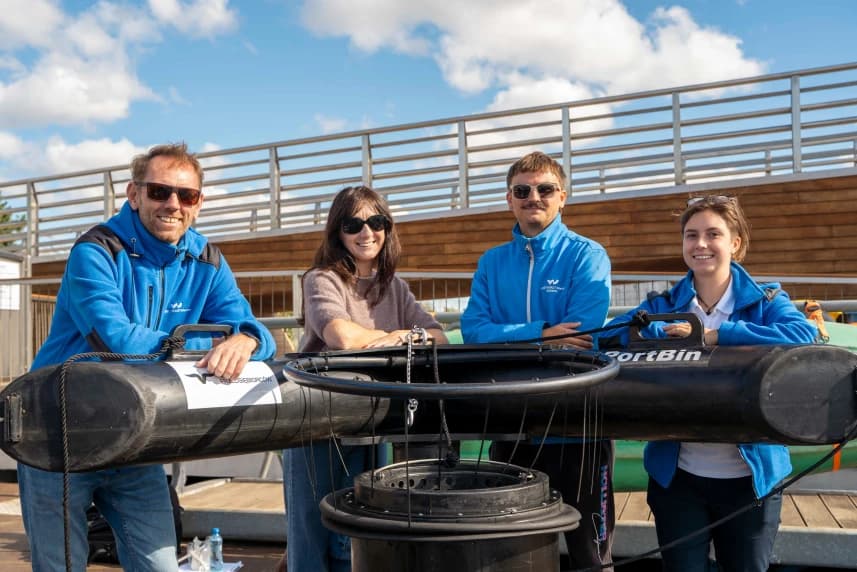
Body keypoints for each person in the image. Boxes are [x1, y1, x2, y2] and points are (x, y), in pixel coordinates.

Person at [18, 143, 276, 571]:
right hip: (57, 431)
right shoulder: (96, 251)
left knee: (160, 565)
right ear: (133, 195)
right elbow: (118, 340)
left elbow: (255, 332)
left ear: (198, 203)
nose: (173, 204)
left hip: (134, 436)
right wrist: (209, 348)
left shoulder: (207, 260)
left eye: (186, 195)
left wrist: (245, 341)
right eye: (159, 192)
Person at [605, 195, 817, 571]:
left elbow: (802, 335)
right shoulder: (662, 304)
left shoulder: (767, 300)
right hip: (678, 481)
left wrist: (716, 335)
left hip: (751, 481)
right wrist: (654, 332)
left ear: (735, 242)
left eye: (713, 234)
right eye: (691, 235)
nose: (700, 244)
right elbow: (607, 335)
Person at [460, 151, 614, 569]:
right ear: (509, 199)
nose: (534, 197)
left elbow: (583, 332)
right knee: (513, 556)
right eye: (522, 190)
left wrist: (508, 338)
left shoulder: (587, 255)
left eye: (545, 189)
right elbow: (473, 330)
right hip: (512, 424)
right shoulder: (492, 262)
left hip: (577, 428)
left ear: (562, 197)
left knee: (591, 557)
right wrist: (542, 333)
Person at [282, 185, 447, 572]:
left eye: (375, 221)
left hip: (370, 421)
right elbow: (341, 337)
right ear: (337, 232)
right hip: (316, 421)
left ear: (387, 228)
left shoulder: (395, 287)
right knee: (310, 532)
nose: (366, 232)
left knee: (359, 528)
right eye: (353, 224)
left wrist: (402, 336)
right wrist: (402, 338)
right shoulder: (321, 279)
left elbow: (438, 336)